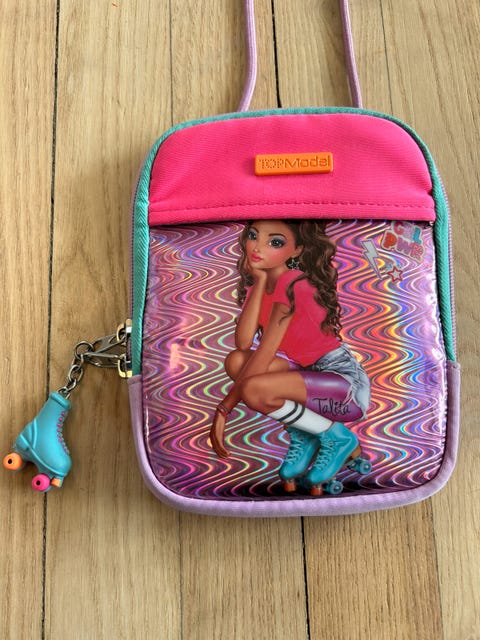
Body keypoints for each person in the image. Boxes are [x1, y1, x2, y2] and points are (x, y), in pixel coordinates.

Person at [209, 219, 370, 494]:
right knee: (236, 361)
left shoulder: (293, 283)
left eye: (275, 242)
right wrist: (259, 281)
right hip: (308, 374)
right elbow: (244, 343)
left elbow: (265, 351)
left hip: (344, 384)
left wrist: (224, 409)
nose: (257, 247)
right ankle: (306, 431)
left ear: (297, 250)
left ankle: (336, 437)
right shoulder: (261, 284)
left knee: (255, 387)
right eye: (253, 235)